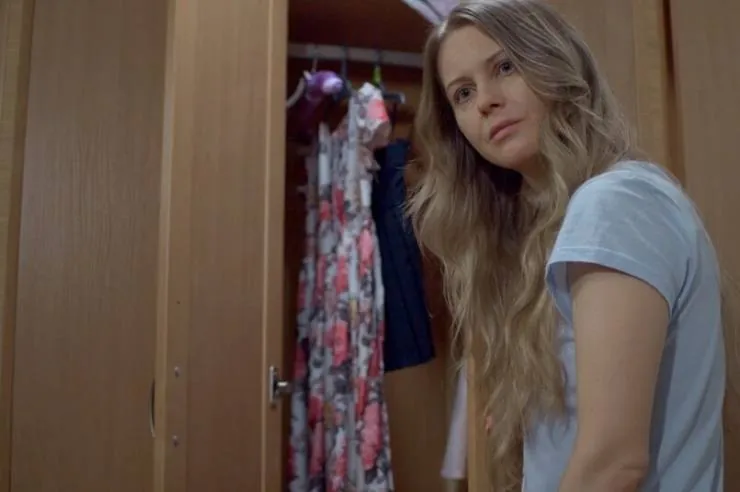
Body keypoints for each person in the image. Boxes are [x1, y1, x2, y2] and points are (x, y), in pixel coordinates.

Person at [407, 0, 732, 491]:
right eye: (464, 94)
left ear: (554, 61)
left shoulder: (614, 203)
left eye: (505, 66)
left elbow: (612, 463)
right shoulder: (560, 230)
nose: (485, 102)